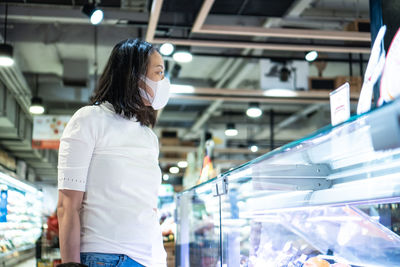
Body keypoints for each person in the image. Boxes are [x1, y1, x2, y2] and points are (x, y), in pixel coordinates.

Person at [57, 39, 170, 267]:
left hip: (151, 258)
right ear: (133, 75)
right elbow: (68, 205)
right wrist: (70, 264)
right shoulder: (89, 120)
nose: (163, 81)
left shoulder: (148, 137)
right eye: (158, 72)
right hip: (106, 257)